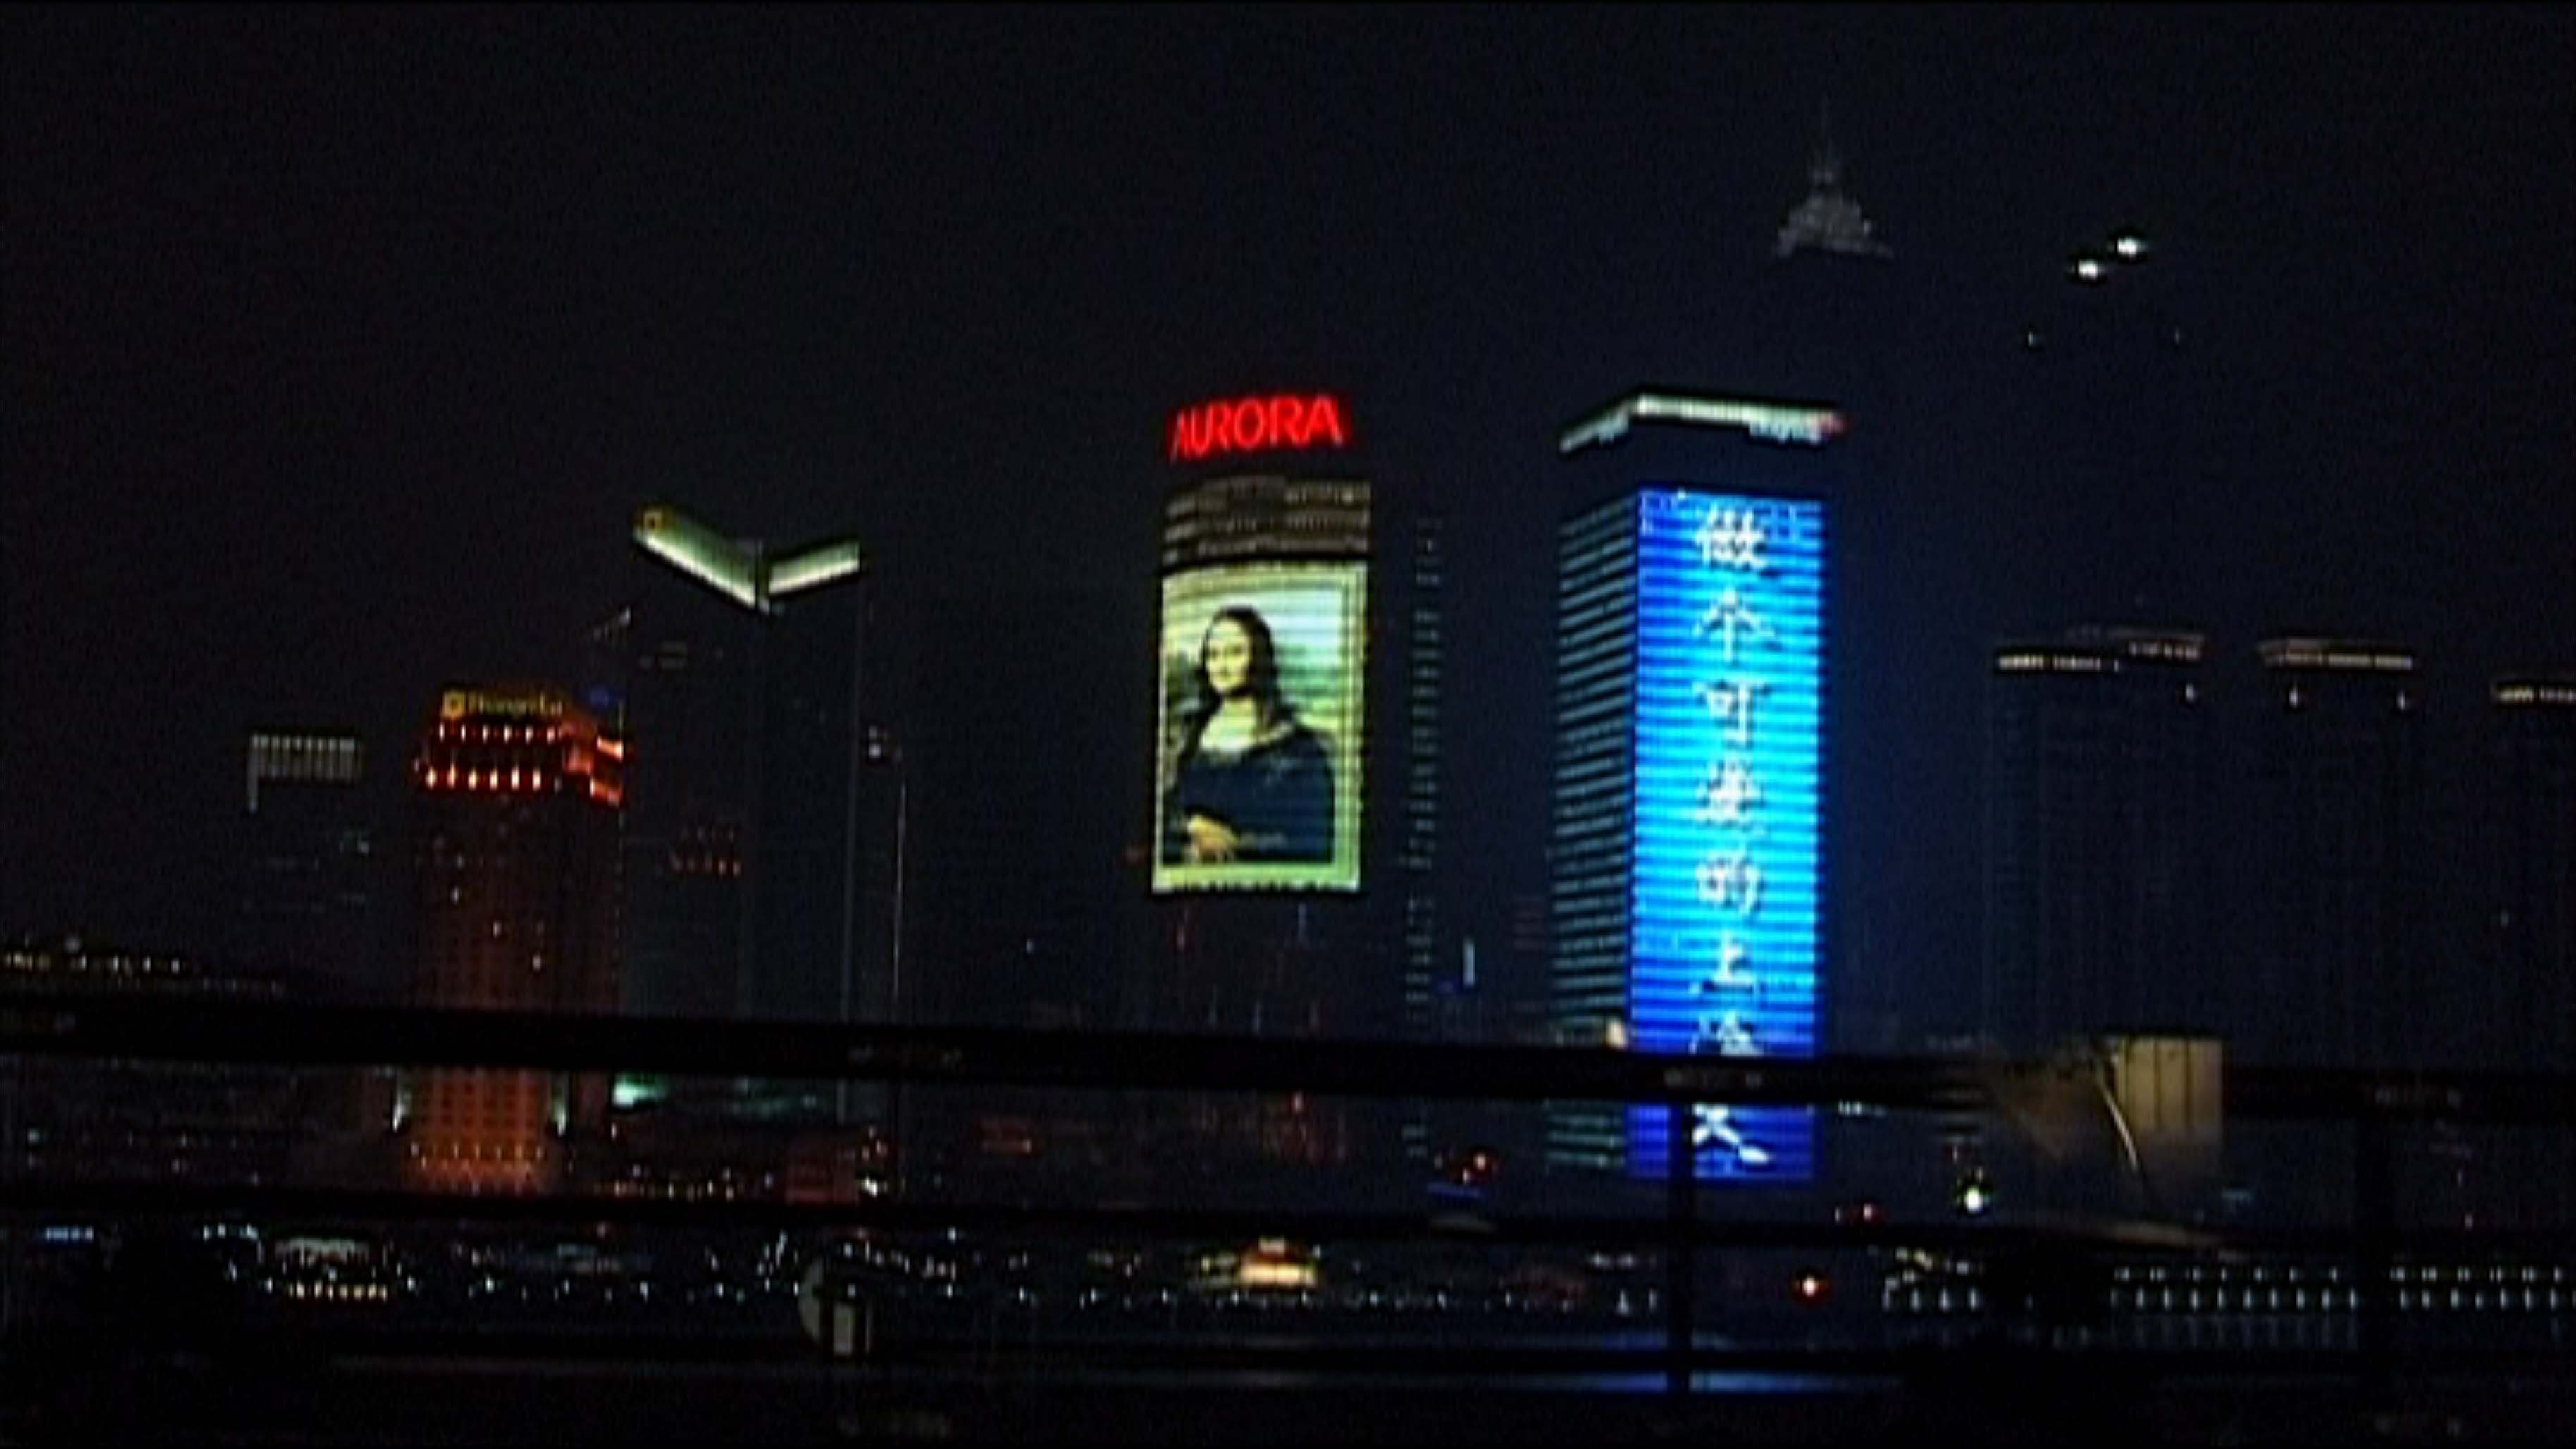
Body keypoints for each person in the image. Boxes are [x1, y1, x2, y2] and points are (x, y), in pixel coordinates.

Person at [1163, 606, 1335, 866]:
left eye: (1235, 653)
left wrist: (1235, 843)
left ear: (1259, 656)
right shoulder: (1189, 735)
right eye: (1213, 655)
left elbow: (1311, 835)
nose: (1221, 667)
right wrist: (1192, 827)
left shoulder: (1297, 748)